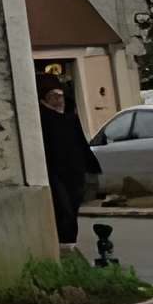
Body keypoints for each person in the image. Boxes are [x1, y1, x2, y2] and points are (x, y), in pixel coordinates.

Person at [37, 76, 97, 249]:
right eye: (53, 96)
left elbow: (81, 142)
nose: (58, 99)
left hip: (75, 170)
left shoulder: (70, 117)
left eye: (60, 95)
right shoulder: (43, 119)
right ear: (44, 99)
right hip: (55, 171)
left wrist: (91, 165)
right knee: (63, 207)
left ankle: (70, 242)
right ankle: (65, 243)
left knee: (73, 203)